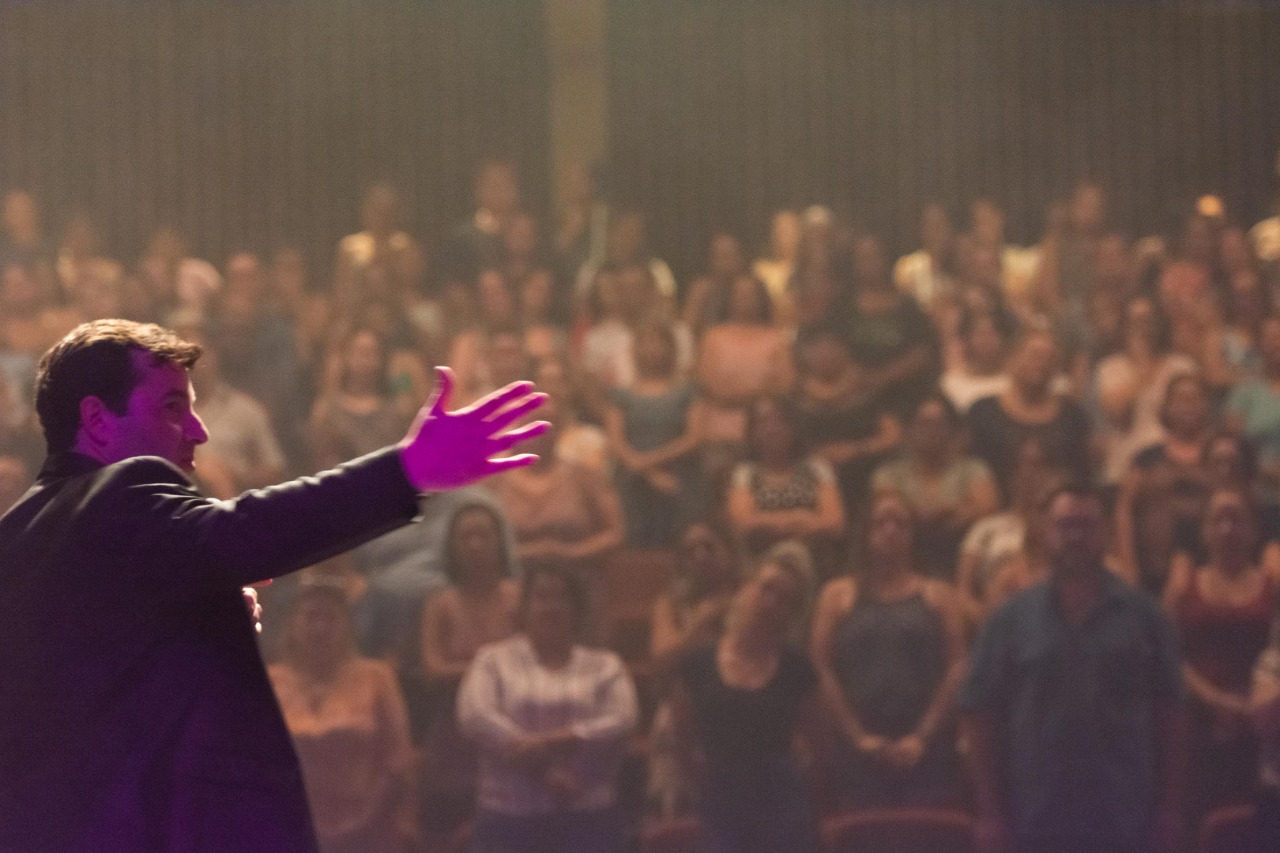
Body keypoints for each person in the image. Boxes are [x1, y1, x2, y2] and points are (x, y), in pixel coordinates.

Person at [0, 319, 547, 851]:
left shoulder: (14, 539)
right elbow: (246, 531)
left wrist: (200, 622)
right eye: (172, 408)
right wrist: (409, 469)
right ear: (97, 420)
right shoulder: (122, 491)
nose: (199, 431)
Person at [960, 484, 1187, 853]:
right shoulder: (1008, 619)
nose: (1075, 536)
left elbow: (1171, 716)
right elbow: (979, 715)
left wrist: (1170, 811)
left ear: (1107, 533)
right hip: (1032, 817)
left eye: (1086, 525)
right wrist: (989, 813)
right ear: (1045, 532)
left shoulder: (1146, 617)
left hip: (1126, 817)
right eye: (1065, 525)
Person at [457, 564, 638, 853]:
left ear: (577, 609)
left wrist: (555, 739)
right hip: (508, 817)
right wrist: (547, 771)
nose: (551, 606)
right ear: (524, 607)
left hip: (588, 815)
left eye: (561, 597)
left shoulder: (605, 665)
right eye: (541, 596)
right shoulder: (492, 660)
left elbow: (623, 718)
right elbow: (475, 717)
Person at [810, 491, 967, 810]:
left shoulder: (939, 595)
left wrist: (922, 736)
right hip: (856, 749)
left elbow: (958, 666)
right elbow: (820, 666)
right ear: (865, 532)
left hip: (928, 748)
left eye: (900, 523)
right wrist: (856, 736)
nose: (890, 530)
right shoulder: (836, 596)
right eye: (880, 522)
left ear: (913, 535)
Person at [671, 547, 820, 853]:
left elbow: (819, 744)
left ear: (792, 614)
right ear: (746, 588)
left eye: (784, 599)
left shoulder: (798, 669)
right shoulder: (698, 664)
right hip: (720, 804)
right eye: (766, 589)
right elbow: (682, 740)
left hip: (782, 809)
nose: (771, 602)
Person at [268, 576, 417, 853]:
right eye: (311, 615)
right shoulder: (270, 681)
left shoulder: (377, 677)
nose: (320, 627)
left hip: (371, 827)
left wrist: (362, 823)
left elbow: (398, 760)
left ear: (348, 626)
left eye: (331, 617)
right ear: (292, 624)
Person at [1164, 488, 1276, 821]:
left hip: (1261, 730)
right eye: (1218, 519)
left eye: (1236, 519)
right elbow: (1165, 653)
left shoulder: (1273, 587)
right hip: (1197, 727)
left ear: (1254, 529)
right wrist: (1213, 699)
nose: (1227, 529)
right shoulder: (1183, 586)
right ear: (1204, 530)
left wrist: (1258, 704)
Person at [419, 502, 521, 848]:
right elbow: (433, 668)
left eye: (484, 535)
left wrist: (473, 669)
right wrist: (493, 667)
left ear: (499, 542)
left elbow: (529, 662)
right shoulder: (440, 604)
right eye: (466, 537)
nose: (475, 544)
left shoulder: (518, 598)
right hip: (454, 726)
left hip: (512, 722)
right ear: (452, 545)